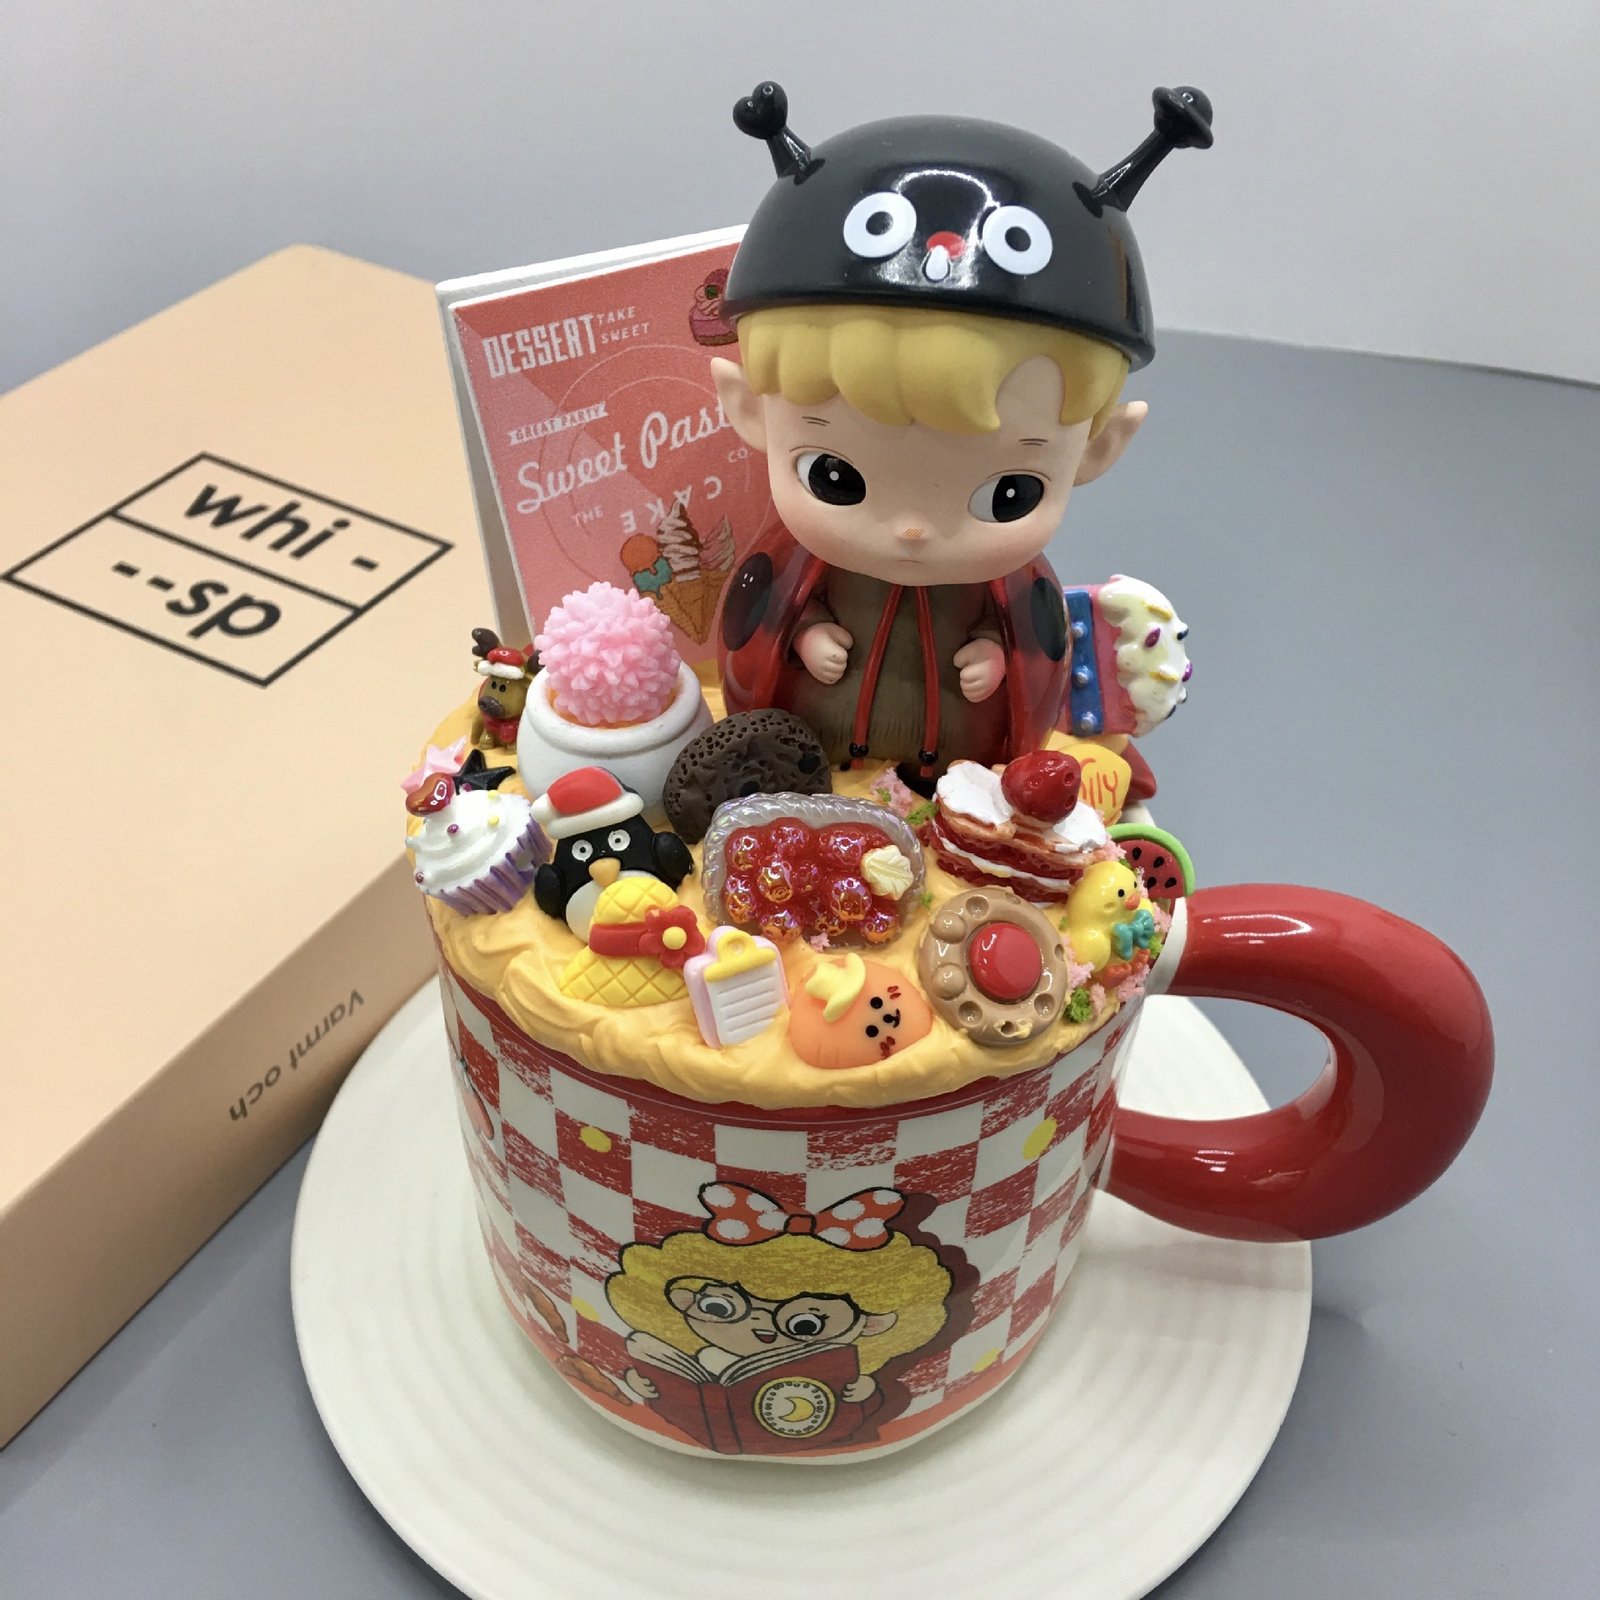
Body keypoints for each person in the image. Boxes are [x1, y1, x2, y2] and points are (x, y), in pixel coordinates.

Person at [714, 81, 1211, 787]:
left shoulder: (1009, 592)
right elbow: (766, 624)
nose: (913, 530)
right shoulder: (797, 568)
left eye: (1010, 493)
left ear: (1101, 449)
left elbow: (1024, 647)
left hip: (961, 783)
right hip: (806, 771)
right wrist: (807, 631)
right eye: (834, 477)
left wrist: (997, 654)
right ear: (747, 410)